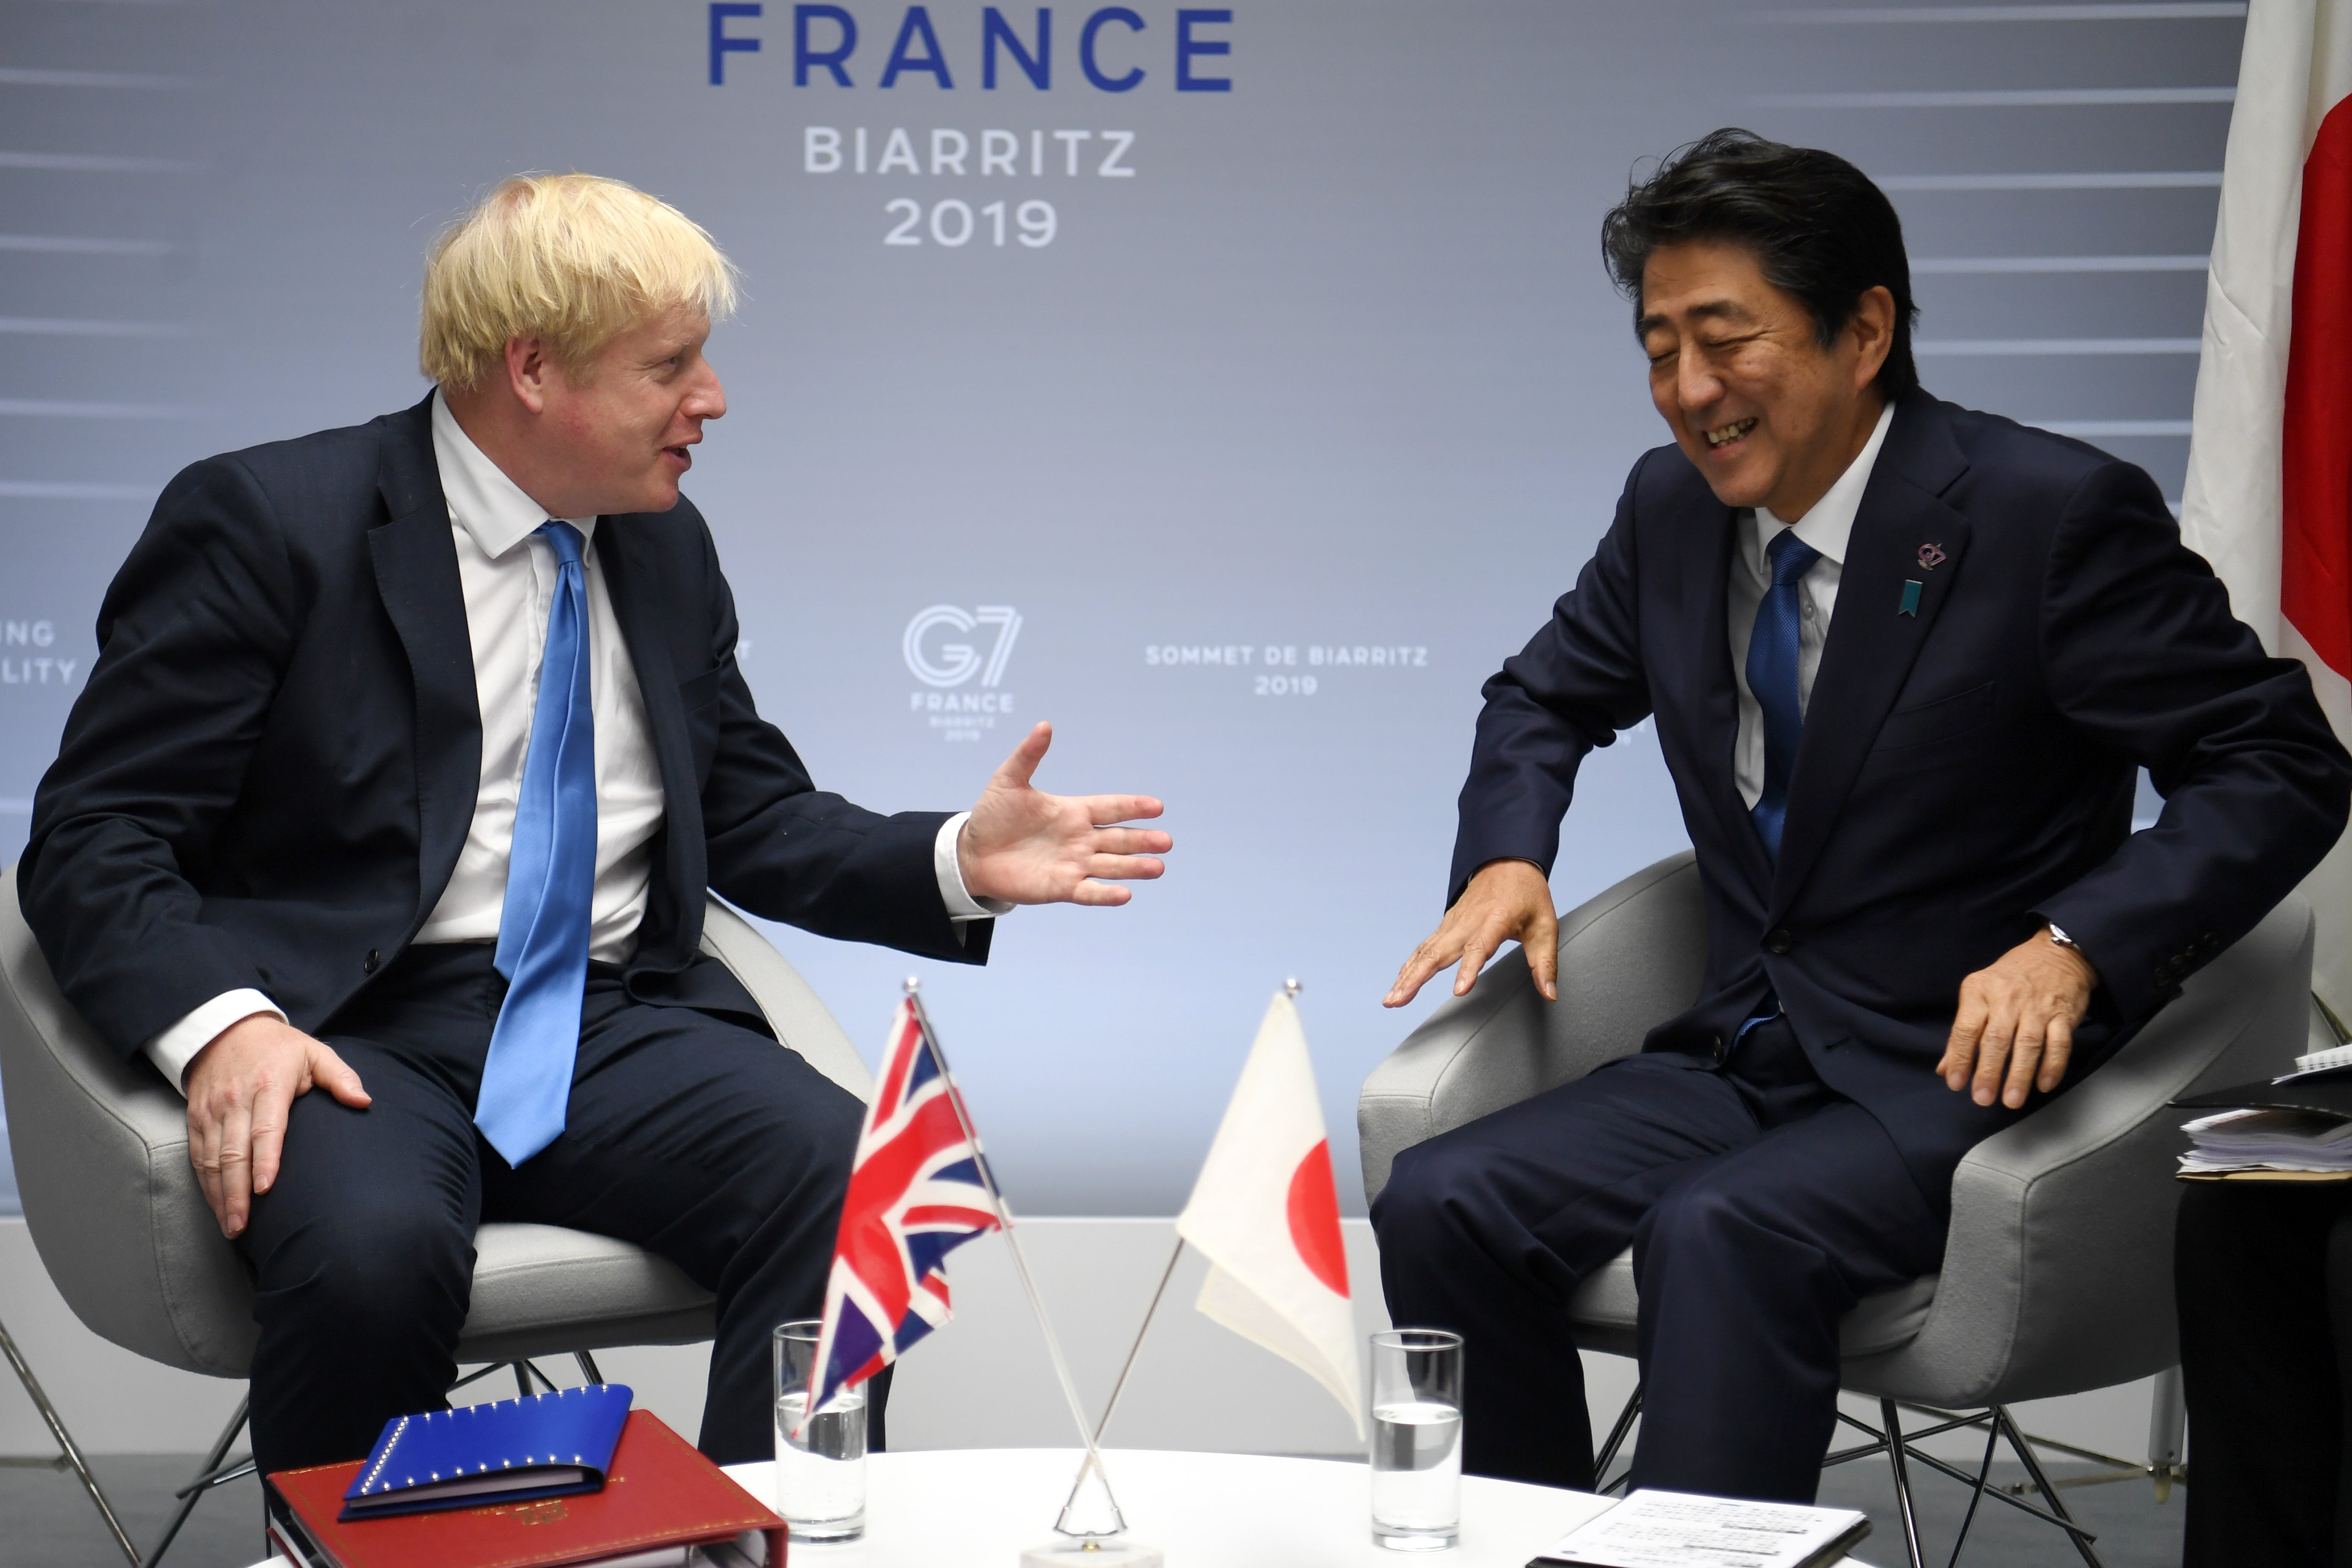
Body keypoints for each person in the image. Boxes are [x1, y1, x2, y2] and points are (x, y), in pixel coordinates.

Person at [16, 173, 1173, 1476]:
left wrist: (958, 858)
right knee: (373, 1259)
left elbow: (750, 812)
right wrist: (229, 1027)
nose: (713, 400)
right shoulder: (272, 523)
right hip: (346, 1030)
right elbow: (95, 836)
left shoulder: (663, 546)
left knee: (859, 1183)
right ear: (532, 370)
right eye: (670, 366)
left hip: (602, 1022)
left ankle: (760, 1550)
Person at [1371, 129, 2352, 1503]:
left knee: (1722, 1234)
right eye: (1659, 347)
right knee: (1441, 1196)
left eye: (1726, 338)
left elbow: (2278, 759)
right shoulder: (1669, 511)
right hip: (1742, 1052)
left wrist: (2077, 941)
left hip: (1953, 1070)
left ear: (1865, 329)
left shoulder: (2044, 515)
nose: (1688, 390)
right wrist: (1508, 855)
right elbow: (1539, 697)